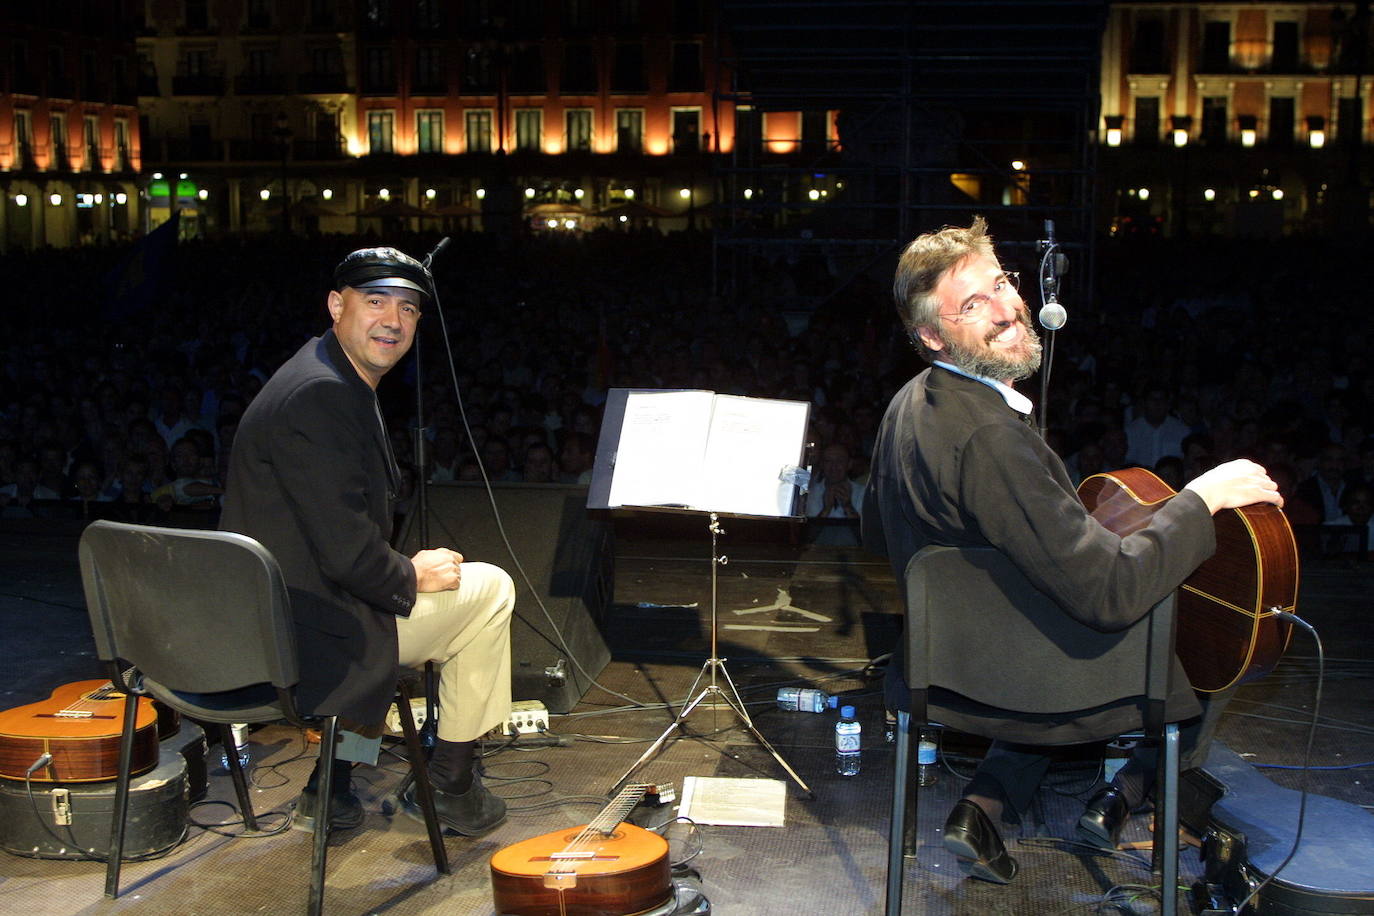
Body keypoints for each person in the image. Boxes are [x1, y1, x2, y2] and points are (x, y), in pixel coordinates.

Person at [863, 217, 1282, 884]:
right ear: (934, 336)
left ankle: (985, 803)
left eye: (1000, 283)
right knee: (1211, 643)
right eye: (974, 305)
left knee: (1059, 614)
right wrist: (1199, 499)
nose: (1006, 309)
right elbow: (1108, 593)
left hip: (944, 655)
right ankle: (1124, 797)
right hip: (1012, 676)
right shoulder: (992, 438)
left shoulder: (908, 405)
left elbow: (876, 534)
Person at [220, 246, 515, 838]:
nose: (393, 320)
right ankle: (451, 781)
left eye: (408, 309)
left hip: (278, 611)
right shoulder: (321, 395)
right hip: (306, 634)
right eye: (375, 301)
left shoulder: (321, 371)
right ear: (337, 304)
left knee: (429, 591)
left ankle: (333, 779)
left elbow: (331, 534)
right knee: (490, 590)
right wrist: (412, 575)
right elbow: (348, 556)